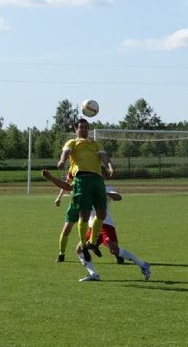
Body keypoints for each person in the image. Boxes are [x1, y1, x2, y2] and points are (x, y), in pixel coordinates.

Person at [44, 171, 151, 282]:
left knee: (114, 250)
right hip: (91, 226)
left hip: (105, 224)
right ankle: (93, 274)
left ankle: (143, 265)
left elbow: (119, 197)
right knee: (79, 250)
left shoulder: (106, 188)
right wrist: (51, 178)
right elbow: (66, 186)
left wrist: (103, 193)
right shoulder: (85, 187)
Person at [55, 118, 114, 263]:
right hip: (82, 179)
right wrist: (62, 161)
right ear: (76, 129)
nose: (84, 130)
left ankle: (92, 243)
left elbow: (104, 156)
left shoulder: (95, 144)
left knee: (102, 212)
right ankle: (82, 244)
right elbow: (66, 152)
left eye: (86, 127)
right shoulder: (72, 142)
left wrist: (110, 166)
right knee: (85, 215)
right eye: (81, 127)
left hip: (97, 179)